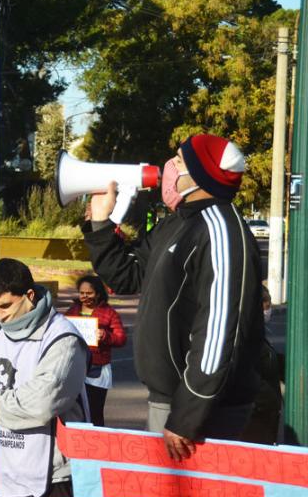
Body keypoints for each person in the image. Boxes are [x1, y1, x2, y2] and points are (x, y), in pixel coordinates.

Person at [83, 134, 264, 461]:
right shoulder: (177, 223)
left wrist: (187, 414)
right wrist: (100, 224)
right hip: (171, 400)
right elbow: (126, 275)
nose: (170, 166)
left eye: (179, 160)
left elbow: (219, 331)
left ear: (202, 173)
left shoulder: (221, 229)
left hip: (202, 408)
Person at [0, 258, 89, 497]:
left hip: (49, 479)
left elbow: (43, 402)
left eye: (5, 305)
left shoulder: (62, 337)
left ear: (29, 295)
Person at [64, 275, 126, 427]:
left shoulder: (109, 313)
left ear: (98, 293)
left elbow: (121, 338)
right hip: (75, 366)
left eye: (89, 293)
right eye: (82, 293)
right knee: (75, 411)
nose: (85, 296)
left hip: (97, 369)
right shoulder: (72, 311)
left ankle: (97, 437)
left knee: (95, 411)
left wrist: (105, 336)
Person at [240, 286, 284, 445]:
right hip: (256, 417)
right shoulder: (246, 337)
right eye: (266, 305)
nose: (268, 310)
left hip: (266, 415)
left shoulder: (259, 334)